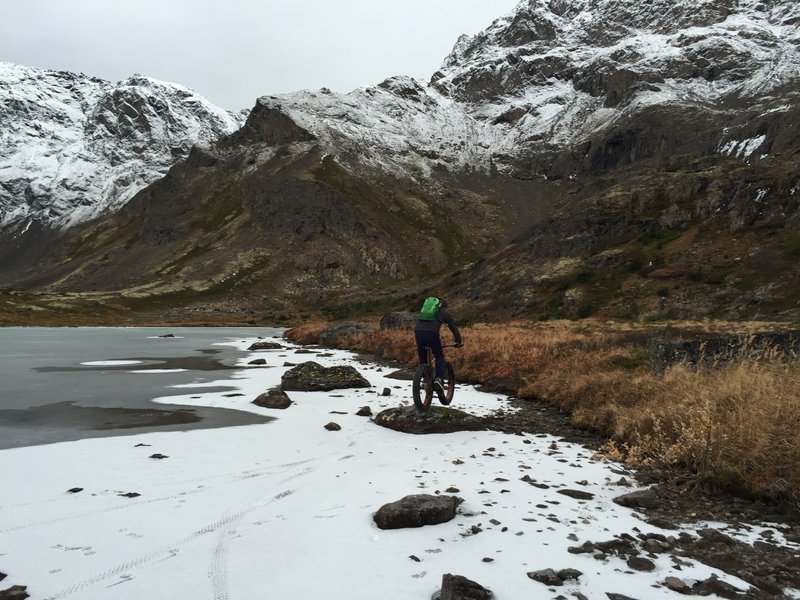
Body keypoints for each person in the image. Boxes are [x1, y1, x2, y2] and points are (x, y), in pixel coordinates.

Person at [414, 296, 463, 393]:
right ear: (443, 306)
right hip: (432, 334)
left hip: (418, 332)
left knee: (422, 354)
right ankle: (438, 379)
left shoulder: (424, 311)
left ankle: (425, 377)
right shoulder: (443, 312)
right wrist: (458, 341)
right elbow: (453, 327)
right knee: (439, 355)